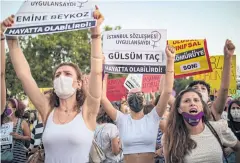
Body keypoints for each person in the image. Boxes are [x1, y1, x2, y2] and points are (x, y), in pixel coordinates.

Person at [2, 6, 104, 163]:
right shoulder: (47, 110)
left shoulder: (87, 112)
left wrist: (96, 35)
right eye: (57, 75)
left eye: (67, 74)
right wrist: (11, 40)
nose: (61, 77)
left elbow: (97, 72)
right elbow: (25, 75)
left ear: (78, 83)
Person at [101, 45, 176, 163]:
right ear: (126, 100)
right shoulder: (121, 119)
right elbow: (102, 98)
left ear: (145, 100)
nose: (135, 97)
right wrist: (103, 70)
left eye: (139, 95)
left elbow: (166, 91)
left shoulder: (153, 117)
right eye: (131, 95)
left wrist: (170, 61)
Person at [162, 88, 240, 163]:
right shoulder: (169, 137)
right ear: (179, 109)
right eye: (186, 101)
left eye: (196, 100)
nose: (192, 103)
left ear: (202, 107)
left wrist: (230, 149)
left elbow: (238, 147)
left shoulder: (218, 128)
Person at [1, 99, 31, 163]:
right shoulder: (2, 123)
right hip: (5, 157)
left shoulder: (22, 122)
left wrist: (19, 136)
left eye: (8, 107)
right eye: (5, 107)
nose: (6, 109)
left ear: (14, 109)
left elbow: (29, 137)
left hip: (18, 157)